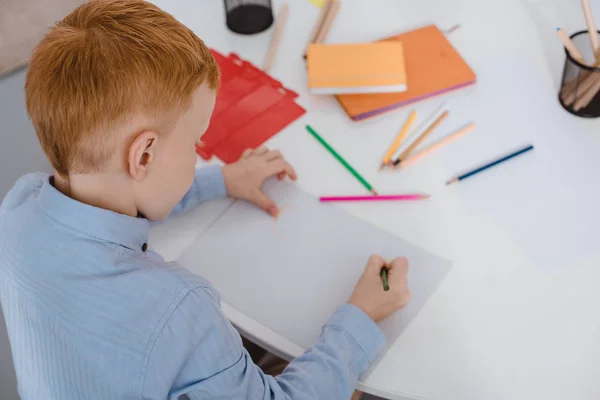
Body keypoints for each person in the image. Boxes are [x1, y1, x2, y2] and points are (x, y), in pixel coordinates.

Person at [0, 1, 411, 399]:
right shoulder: (180, 309)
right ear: (143, 155)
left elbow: (115, 194)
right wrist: (360, 318)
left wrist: (221, 180)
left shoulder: (18, 207)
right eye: (196, 141)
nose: (200, 150)